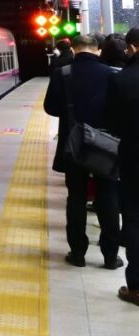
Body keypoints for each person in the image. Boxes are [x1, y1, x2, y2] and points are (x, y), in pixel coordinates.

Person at [43, 33, 122, 269]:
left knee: (76, 198)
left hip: (73, 146)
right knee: (108, 197)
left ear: (75, 49)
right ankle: (110, 256)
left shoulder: (62, 73)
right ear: (97, 50)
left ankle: (77, 253)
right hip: (105, 147)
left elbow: (51, 108)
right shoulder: (111, 74)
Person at [109, 27, 139, 305]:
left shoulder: (123, 80)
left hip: (133, 160)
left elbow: (111, 123)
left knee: (133, 218)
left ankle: (136, 287)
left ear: (131, 47)